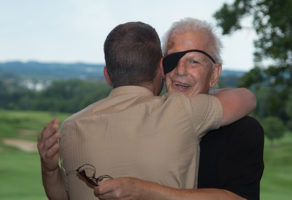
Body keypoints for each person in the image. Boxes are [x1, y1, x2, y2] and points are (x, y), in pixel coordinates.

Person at [38, 21, 256, 200]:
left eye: (194, 61)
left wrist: (145, 190)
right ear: (161, 68)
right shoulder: (180, 112)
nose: (180, 70)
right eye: (172, 60)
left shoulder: (242, 131)